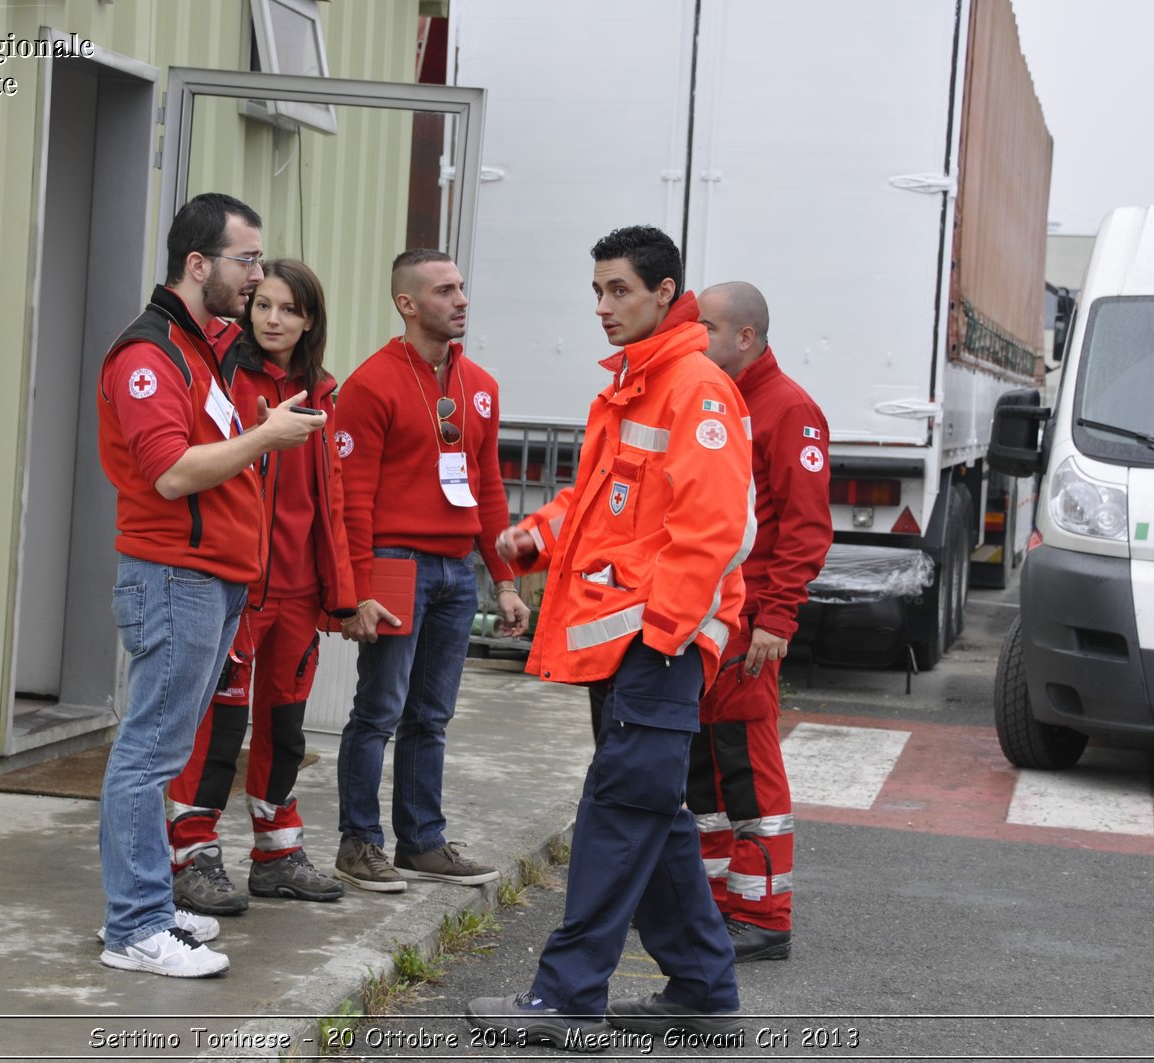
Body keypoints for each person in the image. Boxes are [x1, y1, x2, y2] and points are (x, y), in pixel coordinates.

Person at [467, 225, 755, 1047]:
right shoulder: (637, 384)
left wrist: (664, 637)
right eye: (596, 290)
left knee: (618, 815)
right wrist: (537, 535)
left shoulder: (694, 389)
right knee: (650, 815)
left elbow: (715, 530)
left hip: (655, 647)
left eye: (619, 290)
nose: (602, 306)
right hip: (630, 644)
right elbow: (601, 506)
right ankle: (702, 987)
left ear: (665, 292)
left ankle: (565, 997)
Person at [94, 193, 325, 978]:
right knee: (148, 756)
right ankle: (133, 927)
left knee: (165, 747)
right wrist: (267, 435)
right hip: (173, 576)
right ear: (199, 265)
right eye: (247, 261)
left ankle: (153, 905)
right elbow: (170, 473)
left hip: (215, 579)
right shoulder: (148, 356)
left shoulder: (202, 347)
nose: (258, 279)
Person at [330, 249, 530, 893]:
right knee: (379, 710)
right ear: (408, 304)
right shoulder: (371, 384)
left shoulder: (482, 387)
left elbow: (489, 486)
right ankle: (359, 844)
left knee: (431, 715)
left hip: (454, 571)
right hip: (393, 564)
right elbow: (352, 496)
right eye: (445, 290)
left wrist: (504, 580)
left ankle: (422, 843)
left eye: (463, 287)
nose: (462, 299)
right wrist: (357, 590)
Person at [166, 260, 354, 915]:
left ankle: (277, 852)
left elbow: (331, 498)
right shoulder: (222, 375)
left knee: (286, 727)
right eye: (263, 305)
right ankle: (191, 854)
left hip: (300, 595)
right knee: (217, 729)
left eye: (288, 309)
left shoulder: (324, 391)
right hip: (235, 591)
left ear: (309, 320)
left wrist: (345, 592)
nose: (273, 319)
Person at [690, 281, 831, 963]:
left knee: (748, 771)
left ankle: (764, 912)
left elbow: (805, 530)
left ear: (744, 336)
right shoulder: (718, 399)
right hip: (711, 620)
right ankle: (716, 901)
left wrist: (778, 618)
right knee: (709, 771)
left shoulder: (789, 409)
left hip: (750, 627)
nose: (696, 339)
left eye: (707, 328)